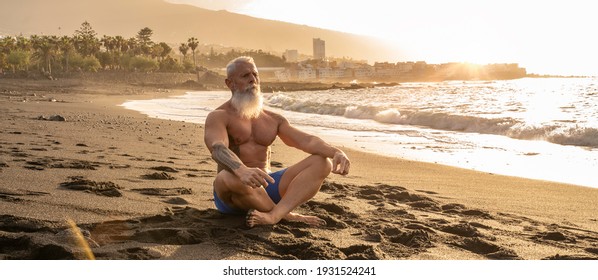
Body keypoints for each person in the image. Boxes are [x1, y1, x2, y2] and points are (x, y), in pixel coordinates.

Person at [204, 56, 351, 228]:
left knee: (322, 162)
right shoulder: (219, 116)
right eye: (245, 76)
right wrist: (241, 170)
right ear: (230, 83)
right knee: (224, 177)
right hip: (234, 192)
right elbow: (217, 148)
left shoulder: (272, 119)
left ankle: (275, 215)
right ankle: (288, 216)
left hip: (268, 188)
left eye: (255, 75)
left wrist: (336, 152)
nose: (253, 79)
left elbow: (307, 141)